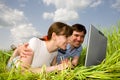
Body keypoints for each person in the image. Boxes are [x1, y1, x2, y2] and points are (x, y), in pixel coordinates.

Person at [7, 22, 73, 73]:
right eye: (66, 37)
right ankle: (16, 50)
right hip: (12, 67)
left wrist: (64, 66)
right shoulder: (35, 42)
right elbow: (22, 71)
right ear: (54, 36)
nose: (69, 41)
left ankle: (16, 49)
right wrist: (56, 68)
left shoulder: (55, 52)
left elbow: (54, 69)